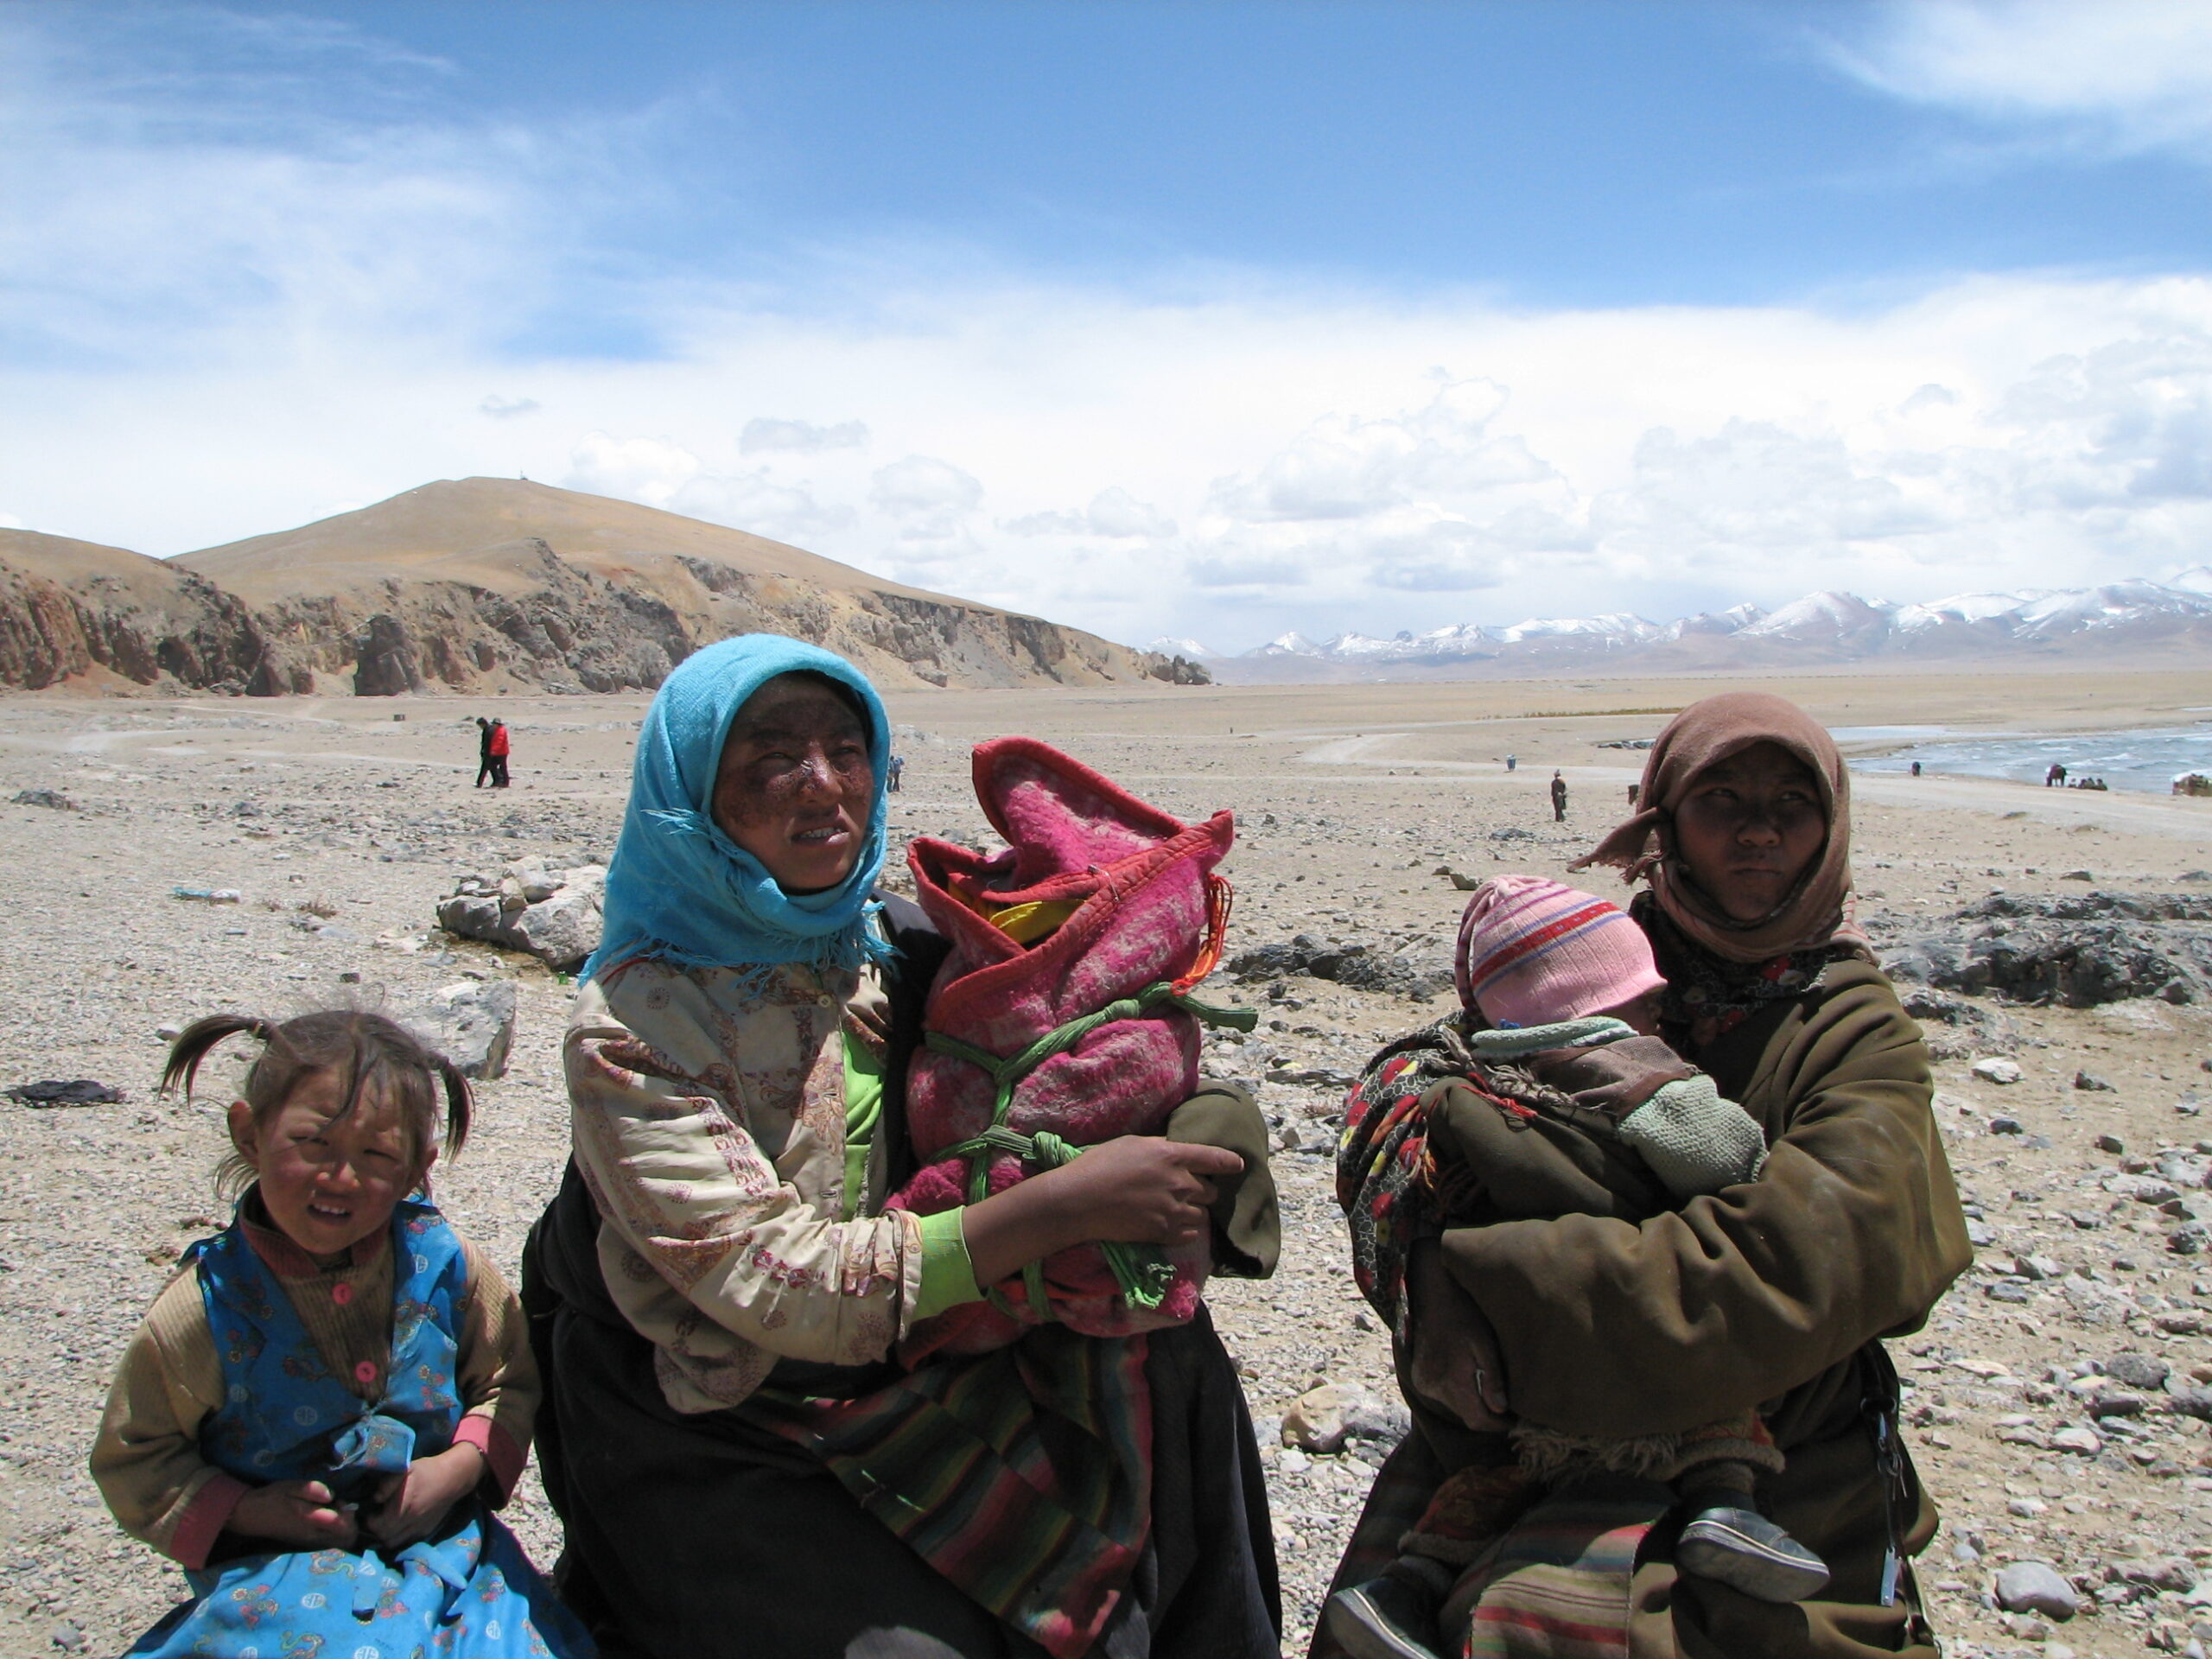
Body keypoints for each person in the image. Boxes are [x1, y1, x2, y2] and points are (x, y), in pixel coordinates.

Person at [521, 634, 1283, 1659]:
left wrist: (1190, 1121)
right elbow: (770, 1277)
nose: (823, 785)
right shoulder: (634, 1025)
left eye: (848, 750)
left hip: (906, 1338)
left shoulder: (888, 946)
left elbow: (1066, 1047)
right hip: (722, 1392)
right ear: (692, 789)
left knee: (1168, 1375)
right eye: (773, 757)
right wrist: (1059, 1209)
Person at [1319, 691, 1971, 1659]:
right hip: (1512, 1443)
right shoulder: (1595, 965)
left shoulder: (1854, 1028)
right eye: (1722, 800)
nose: (1759, 830)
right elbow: (1413, 1080)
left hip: (1775, 1444)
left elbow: (1805, 1259)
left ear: (1831, 828)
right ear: (1663, 821)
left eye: (1792, 803)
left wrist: (1486, 1283)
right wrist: (1423, 1274)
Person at [1323, 876, 1827, 1659]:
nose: (1660, 1010)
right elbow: (1727, 1160)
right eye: (1644, 995)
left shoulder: (1465, 1068)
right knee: (1718, 1423)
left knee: (1487, 1481)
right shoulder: (1623, 1068)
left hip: (1510, 1366)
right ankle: (1725, 1507)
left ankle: (1409, 1584)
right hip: (1638, 1341)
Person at [92, 1010, 590, 1658]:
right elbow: (137, 1455)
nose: (341, 1178)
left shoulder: (445, 1267)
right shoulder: (207, 1309)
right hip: (280, 1566)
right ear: (250, 1134)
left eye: (377, 1155)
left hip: (448, 1545)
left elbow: (509, 1381)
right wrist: (250, 1512)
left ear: (418, 1168)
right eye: (313, 1144)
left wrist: (454, 1471)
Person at [487, 717, 512, 788]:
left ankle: (505, 782)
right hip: (500, 752)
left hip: (501, 752)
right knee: (498, 767)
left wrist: (494, 750)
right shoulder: (498, 730)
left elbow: (499, 741)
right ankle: (501, 781)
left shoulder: (501, 731)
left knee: (502, 767)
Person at [475, 715, 497, 788]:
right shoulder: (490, 729)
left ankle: (479, 783)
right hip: (490, 752)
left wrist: (485, 752)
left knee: (484, 768)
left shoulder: (489, 730)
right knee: (492, 768)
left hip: (489, 752)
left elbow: (488, 743)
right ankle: (497, 781)